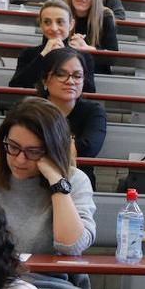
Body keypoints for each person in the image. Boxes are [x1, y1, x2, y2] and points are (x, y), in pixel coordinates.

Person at [0, 98, 96, 289]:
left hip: (48, 285)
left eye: (34, 152)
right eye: (13, 147)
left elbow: (71, 246)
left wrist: (56, 182)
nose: (20, 159)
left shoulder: (74, 181)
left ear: (53, 150)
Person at [36, 47, 107, 188]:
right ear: (45, 80)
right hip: (34, 179)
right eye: (61, 74)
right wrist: (70, 143)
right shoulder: (31, 110)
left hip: (77, 182)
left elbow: (89, 149)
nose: (70, 81)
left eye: (77, 76)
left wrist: (44, 148)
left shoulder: (94, 111)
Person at [9, 0, 97, 93]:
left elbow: (89, 90)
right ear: (41, 25)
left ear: (71, 24)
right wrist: (43, 55)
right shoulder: (28, 53)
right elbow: (16, 85)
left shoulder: (84, 56)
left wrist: (64, 56)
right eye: (47, 22)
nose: (54, 28)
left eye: (60, 22)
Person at [62, 0, 119, 75]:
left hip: (97, 76)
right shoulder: (59, 14)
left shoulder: (106, 17)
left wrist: (87, 49)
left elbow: (113, 58)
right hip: (63, 74)